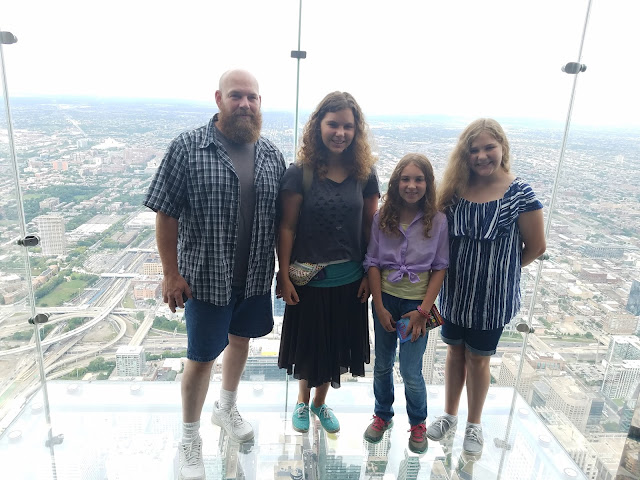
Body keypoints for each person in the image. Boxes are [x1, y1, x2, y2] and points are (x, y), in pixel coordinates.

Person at [143, 69, 286, 480]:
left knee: (241, 342)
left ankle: (226, 407)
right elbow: (165, 212)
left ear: (260, 103)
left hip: (255, 276)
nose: (245, 104)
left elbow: (281, 222)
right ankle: (189, 439)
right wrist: (170, 274)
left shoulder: (271, 155)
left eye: (252, 97)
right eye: (236, 96)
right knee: (201, 358)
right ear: (219, 99)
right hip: (206, 278)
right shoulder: (188, 147)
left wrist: (283, 271)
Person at [425, 118, 546, 454]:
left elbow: (537, 246)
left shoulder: (520, 193)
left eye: (489, 147)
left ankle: (474, 425)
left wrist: (503, 272)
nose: (481, 156)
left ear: (502, 147)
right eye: (474, 149)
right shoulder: (454, 189)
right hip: (456, 294)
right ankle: (450, 415)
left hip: (493, 300)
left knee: (479, 359)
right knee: (453, 353)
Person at [277, 91, 379, 434]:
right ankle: (302, 401)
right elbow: (287, 227)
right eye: (333, 124)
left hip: (350, 279)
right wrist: (284, 275)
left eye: (348, 126)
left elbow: (370, 228)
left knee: (335, 346)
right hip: (308, 279)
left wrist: (369, 274)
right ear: (318, 126)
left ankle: (319, 403)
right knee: (310, 346)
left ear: (356, 130)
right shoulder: (300, 173)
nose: (340, 132)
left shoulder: (364, 174)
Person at [362, 153, 449, 454]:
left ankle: (417, 422)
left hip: (417, 305)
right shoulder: (382, 217)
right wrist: (378, 306)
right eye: (406, 179)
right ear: (396, 182)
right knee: (382, 364)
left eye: (419, 179)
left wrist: (423, 311)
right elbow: (373, 262)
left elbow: (440, 267)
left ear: (428, 183)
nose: (412, 185)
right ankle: (382, 415)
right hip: (386, 298)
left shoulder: (438, 221)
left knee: (411, 369)